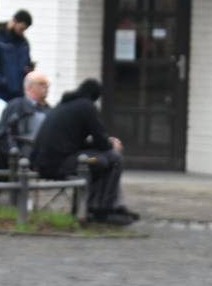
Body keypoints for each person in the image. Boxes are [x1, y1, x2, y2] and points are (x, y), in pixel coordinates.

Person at [30, 78, 134, 225]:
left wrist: (104, 144)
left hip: (46, 162)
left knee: (103, 160)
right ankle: (103, 209)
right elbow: (100, 140)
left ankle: (100, 207)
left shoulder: (65, 104)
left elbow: (75, 142)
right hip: (59, 165)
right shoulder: (86, 107)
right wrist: (111, 145)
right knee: (109, 159)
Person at [0, 72, 52, 164]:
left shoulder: (50, 110)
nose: (46, 87)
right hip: (22, 162)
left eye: (47, 84)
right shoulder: (16, 106)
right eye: (41, 84)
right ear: (29, 87)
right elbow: (5, 134)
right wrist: (16, 156)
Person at [0, 9, 34, 101]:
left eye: (25, 29)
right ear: (14, 21)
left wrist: (29, 69)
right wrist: (1, 81)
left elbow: (26, 62)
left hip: (19, 93)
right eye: (21, 28)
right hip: (1, 92)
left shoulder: (23, 43)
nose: (22, 32)